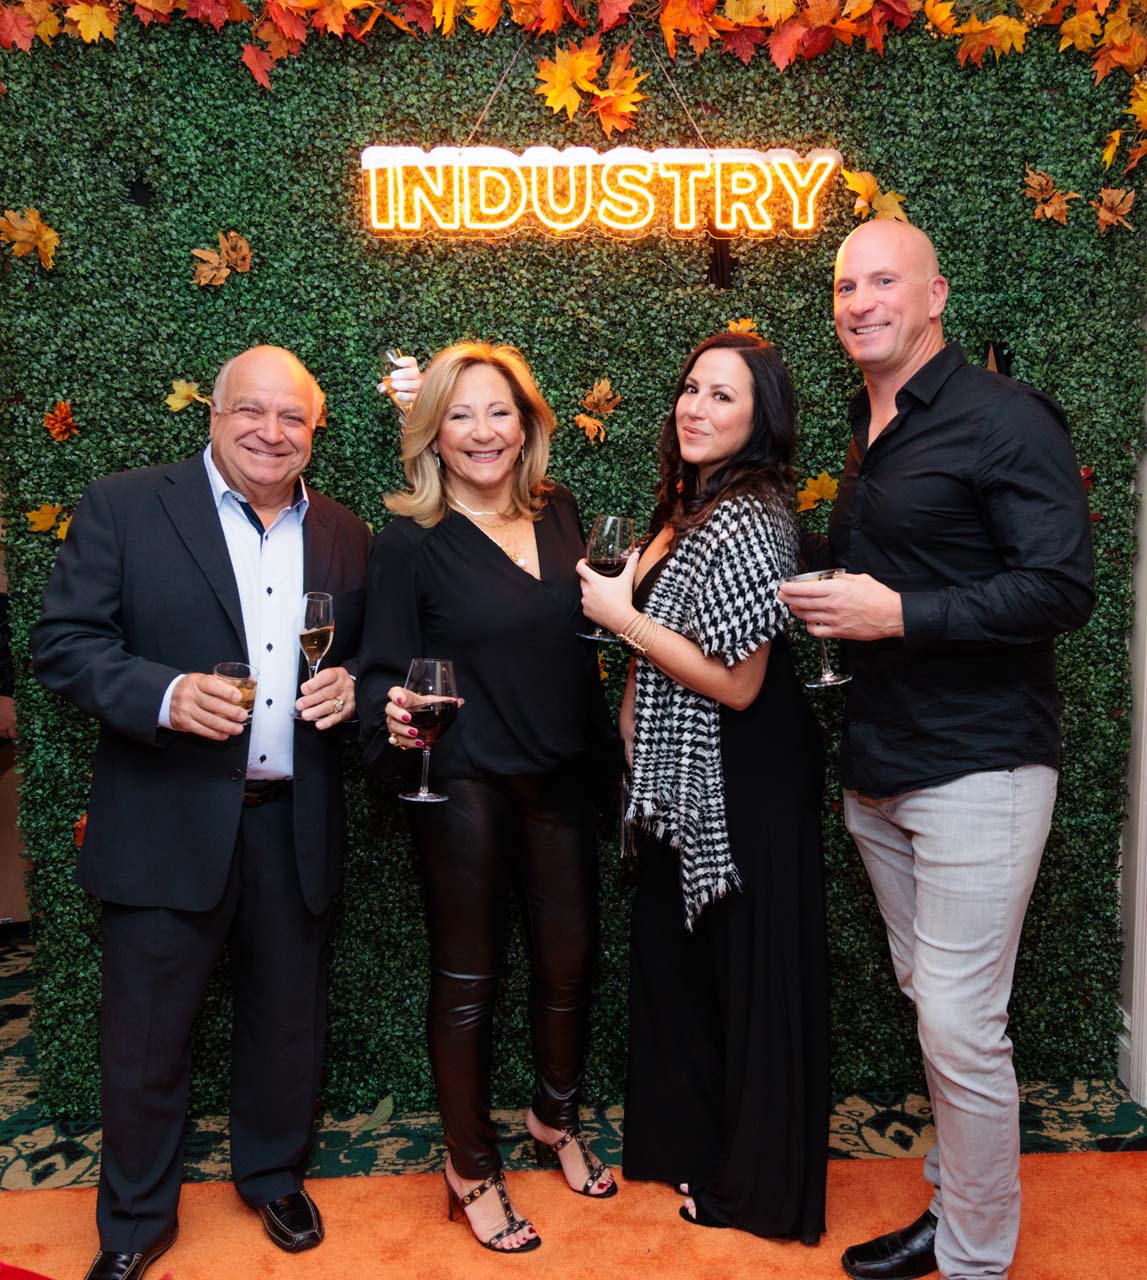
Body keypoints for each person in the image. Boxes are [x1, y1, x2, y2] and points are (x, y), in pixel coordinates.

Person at [779, 220, 1095, 1280]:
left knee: (961, 1022)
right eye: (844, 286)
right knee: (937, 1006)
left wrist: (898, 614)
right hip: (881, 765)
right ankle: (957, 1203)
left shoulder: (1004, 417)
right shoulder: (867, 425)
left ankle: (973, 1255)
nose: (859, 302)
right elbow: (894, 566)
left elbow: (1060, 587)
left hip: (980, 765)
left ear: (935, 295)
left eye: (883, 281)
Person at [31, 345, 375, 1280]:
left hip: (293, 821)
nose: (271, 431)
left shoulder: (344, 531)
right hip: (164, 816)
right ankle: (135, 1220)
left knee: (286, 1025)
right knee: (144, 1037)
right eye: (251, 410)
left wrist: (354, 683)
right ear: (214, 416)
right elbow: (62, 643)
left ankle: (273, 1177)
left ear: (315, 431)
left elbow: (372, 655)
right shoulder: (124, 505)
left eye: (293, 416)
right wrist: (164, 693)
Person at [358, 342, 618, 1256]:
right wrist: (391, 712)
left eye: (498, 411)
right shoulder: (409, 540)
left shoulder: (559, 510)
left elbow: (584, 638)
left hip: (558, 772)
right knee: (469, 980)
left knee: (569, 961)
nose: (481, 432)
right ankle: (469, 1165)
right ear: (431, 433)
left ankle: (553, 1120)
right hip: (462, 781)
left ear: (526, 424)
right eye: (459, 415)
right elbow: (381, 671)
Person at [578, 331, 830, 1242]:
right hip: (680, 775)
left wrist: (620, 620)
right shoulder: (687, 505)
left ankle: (756, 1189)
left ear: (761, 419)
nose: (696, 407)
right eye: (691, 388)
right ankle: (700, 1147)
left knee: (751, 979)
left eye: (723, 395)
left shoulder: (751, 518)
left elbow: (739, 682)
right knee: (691, 971)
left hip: (744, 774)